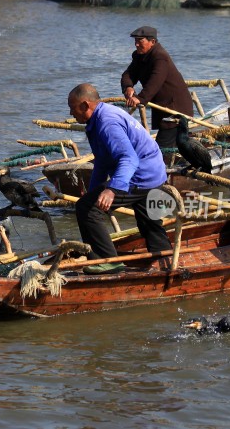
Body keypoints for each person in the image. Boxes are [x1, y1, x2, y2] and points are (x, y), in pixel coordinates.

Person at [68, 83, 172, 274]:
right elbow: (102, 161)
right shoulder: (102, 116)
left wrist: (112, 189)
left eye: (72, 108)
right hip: (154, 173)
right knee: (149, 223)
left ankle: (108, 262)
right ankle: (164, 261)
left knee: (87, 209)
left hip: (140, 175)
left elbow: (128, 158)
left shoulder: (106, 123)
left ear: (85, 105)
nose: (70, 113)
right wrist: (94, 191)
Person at [121, 26, 194, 149]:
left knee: (162, 147)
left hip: (175, 109)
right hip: (162, 107)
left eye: (140, 41)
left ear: (152, 42)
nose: (136, 44)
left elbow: (155, 82)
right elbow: (128, 75)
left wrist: (140, 98)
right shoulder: (139, 56)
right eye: (135, 41)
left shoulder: (160, 57)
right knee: (172, 144)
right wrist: (128, 87)